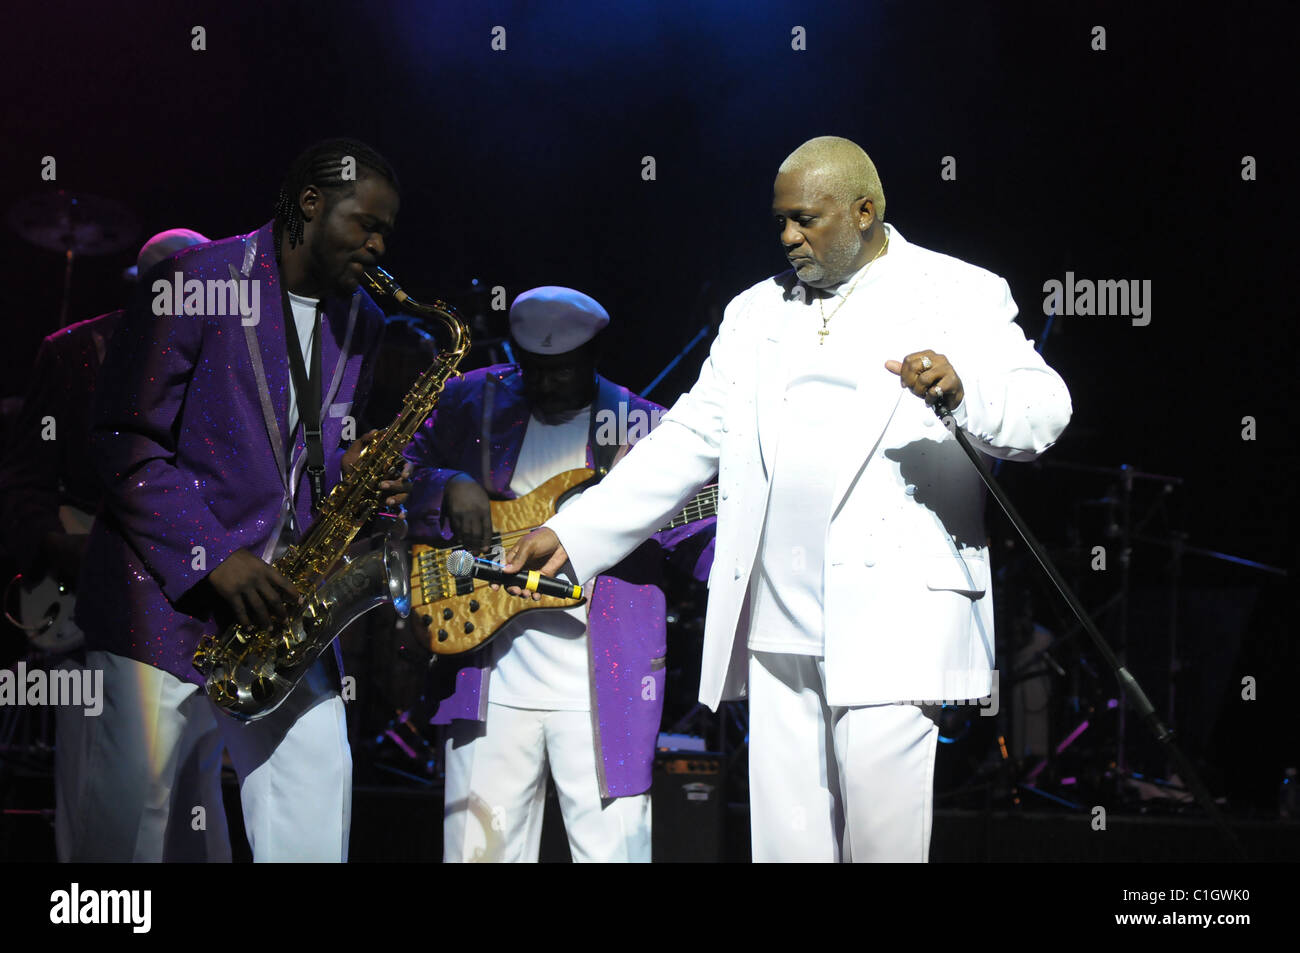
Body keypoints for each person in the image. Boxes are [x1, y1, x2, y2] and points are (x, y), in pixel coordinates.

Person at [505, 136, 1073, 862]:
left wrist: (967, 392)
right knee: (786, 847)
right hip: (776, 618)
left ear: (865, 211)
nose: (787, 236)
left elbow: (1044, 408)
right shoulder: (755, 312)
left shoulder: (957, 291)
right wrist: (578, 531)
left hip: (893, 617)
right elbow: (687, 436)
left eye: (805, 219)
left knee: (882, 845)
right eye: (779, 221)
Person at [67, 138, 410, 862]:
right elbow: (122, 439)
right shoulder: (196, 279)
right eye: (366, 225)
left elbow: (294, 452)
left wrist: (356, 478)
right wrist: (214, 555)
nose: (379, 246)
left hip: (280, 613)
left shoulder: (365, 322)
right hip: (158, 605)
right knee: (125, 840)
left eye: (387, 232)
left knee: (317, 808)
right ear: (310, 205)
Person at [404, 287, 712, 862]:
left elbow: (704, 538)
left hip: (604, 684)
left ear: (596, 355)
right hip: (487, 679)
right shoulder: (472, 399)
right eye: (533, 371)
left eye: (562, 372)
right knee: (478, 853)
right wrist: (444, 484)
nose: (544, 386)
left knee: (612, 854)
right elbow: (393, 476)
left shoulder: (643, 426)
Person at [0, 228, 210, 861]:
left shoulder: (223, 359)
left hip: (184, 604)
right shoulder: (74, 351)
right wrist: (63, 549)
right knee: (96, 793)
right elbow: (25, 478)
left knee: (186, 791)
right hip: (92, 599)